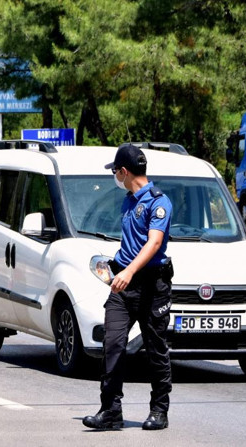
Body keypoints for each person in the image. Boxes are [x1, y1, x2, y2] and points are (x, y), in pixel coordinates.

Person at [83, 144, 174, 431]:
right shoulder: (129, 201)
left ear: (124, 171)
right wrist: (115, 267)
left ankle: (159, 410)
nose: (115, 176)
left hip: (151, 285)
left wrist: (130, 271)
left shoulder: (159, 202)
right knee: (113, 344)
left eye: (115, 171)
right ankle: (110, 410)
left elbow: (154, 243)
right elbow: (131, 243)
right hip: (122, 284)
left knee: (155, 348)